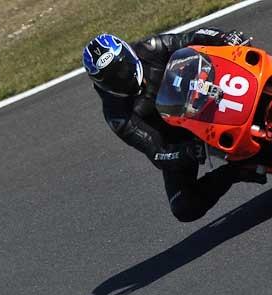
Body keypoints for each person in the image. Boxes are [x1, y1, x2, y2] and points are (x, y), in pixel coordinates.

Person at [83, 29, 267, 222]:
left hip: (204, 91)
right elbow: (157, 152)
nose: (122, 77)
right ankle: (237, 170)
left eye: (123, 68)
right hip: (180, 137)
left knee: (240, 53)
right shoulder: (117, 115)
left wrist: (224, 37)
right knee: (184, 206)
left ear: (129, 54)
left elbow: (193, 37)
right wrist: (187, 152)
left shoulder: (150, 48)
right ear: (101, 84)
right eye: (113, 79)